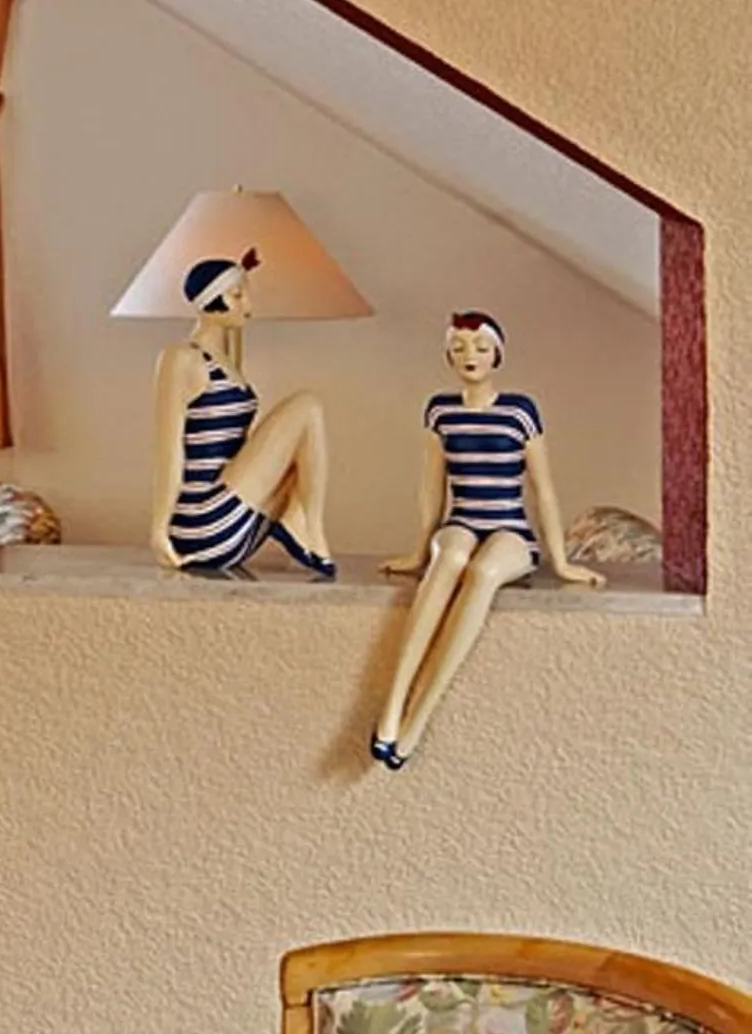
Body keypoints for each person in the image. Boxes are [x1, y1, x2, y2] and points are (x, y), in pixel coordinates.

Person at [371, 312, 601, 767]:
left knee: (483, 572)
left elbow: (543, 490)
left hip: (509, 528)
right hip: (462, 521)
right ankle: (393, 705)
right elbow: (431, 488)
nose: (469, 356)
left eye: (479, 347)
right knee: (448, 558)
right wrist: (418, 549)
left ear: (497, 354)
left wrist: (561, 561)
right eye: (458, 347)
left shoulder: (519, 411)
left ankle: (420, 714)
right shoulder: (440, 411)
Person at [148, 251, 337, 577]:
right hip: (203, 522)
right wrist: (158, 530)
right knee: (307, 406)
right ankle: (310, 531)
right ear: (211, 300)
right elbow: (169, 452)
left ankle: (298, 521)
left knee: (302, 449)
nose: (247, 306)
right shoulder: (182, 359)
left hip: (234, 523)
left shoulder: (226, 363)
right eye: (237, 295)